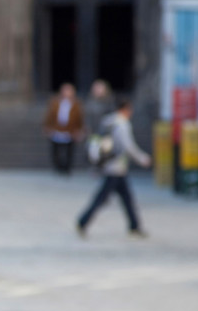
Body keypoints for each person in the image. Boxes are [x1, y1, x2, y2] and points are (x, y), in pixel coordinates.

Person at [76, 97, 152, 238]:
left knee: (127, 198)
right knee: (102, 198)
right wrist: (142, 158)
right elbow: (127, 146)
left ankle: (134, 225)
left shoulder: (108, 121)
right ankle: (83, 221)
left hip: (110, 165)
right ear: (126, 109)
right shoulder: (122, 124)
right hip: (116, 166)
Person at [42, 82, 84, 175]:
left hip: (70, 130)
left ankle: (67, 168)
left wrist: (79, 130)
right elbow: (49, 116)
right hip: (57, 129)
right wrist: (47, 127)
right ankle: (58, 167)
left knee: (69, 151)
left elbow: (79, 118)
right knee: (56, 150)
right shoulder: (55, 102)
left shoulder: (76, 104)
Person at [84, 79, 115, 143]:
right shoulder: (89, 102)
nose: (98, 90)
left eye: (100, 88)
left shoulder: (109, 102)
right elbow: (87, 118)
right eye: (96, 88)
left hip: (105, 133)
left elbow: (112, 117)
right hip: (92, 133)